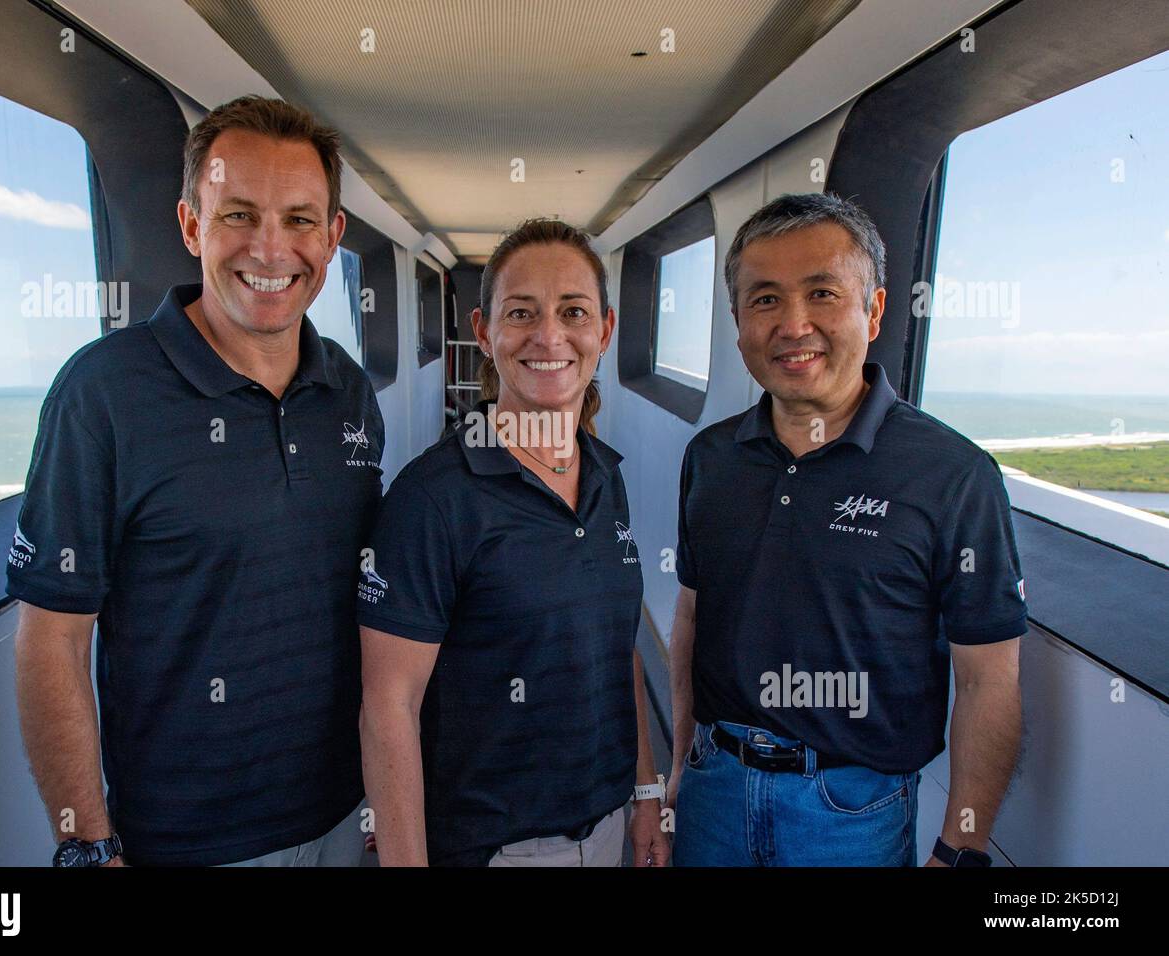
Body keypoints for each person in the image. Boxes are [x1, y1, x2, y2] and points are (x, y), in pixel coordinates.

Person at [8, 95, 384, 867]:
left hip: (344, 815)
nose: (271, 249)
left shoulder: (347, 389)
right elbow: (52, 639)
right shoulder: (102, 394)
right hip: (187, 841)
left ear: (334, 235)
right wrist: (88, 844)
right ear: (191, 227)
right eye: (238, 214)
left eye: (301, 220)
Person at [669, 192, 1026, 867]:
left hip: (851, 817)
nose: (793, 324)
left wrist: (962, 850)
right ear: (738, 319)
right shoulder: (710, 459)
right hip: (714, 791)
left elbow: (990, 679)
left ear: (875, 309)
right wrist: (683, 764)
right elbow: (690, 615)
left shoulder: (953, 474)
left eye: (823, 293)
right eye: (765, 298)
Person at [358, 219, 669, 867]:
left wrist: (645, 793)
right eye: (521, 313)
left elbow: (620, 650)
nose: (549, 336)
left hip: (608, 823)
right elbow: (390, 708)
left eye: (573, 312)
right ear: (483, 332)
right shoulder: (433, 499)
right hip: (495, 848)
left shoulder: (606, 475)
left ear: (605, 331)